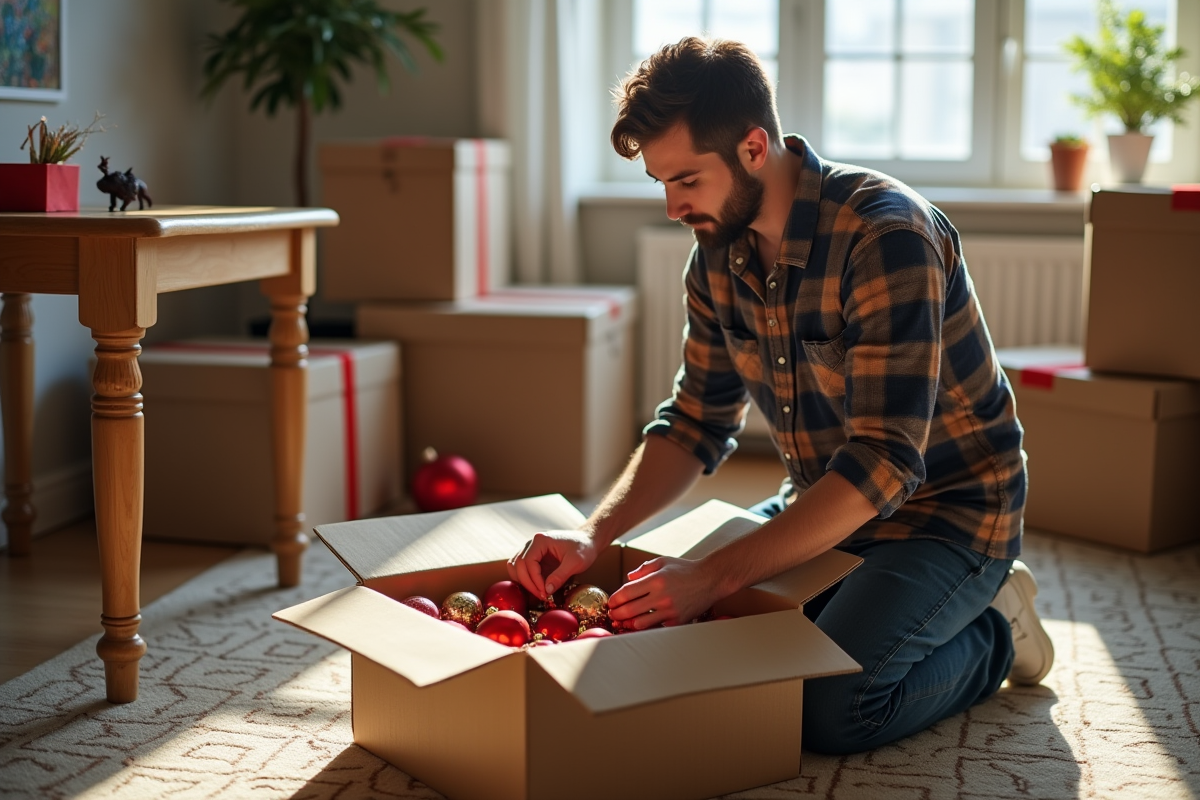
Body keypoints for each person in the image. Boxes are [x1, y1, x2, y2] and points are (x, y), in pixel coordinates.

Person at [507, 36, 1055, 754]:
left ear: (754, 147)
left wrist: (713, 576)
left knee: (829, 706)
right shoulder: (716, 253)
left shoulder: (885, 235)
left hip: (946, 517)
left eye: (687, 181)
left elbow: (884, 465)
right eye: (661, 183)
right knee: (675, 628)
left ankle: (992, 630)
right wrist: (593, 533)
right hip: (823, 502)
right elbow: (694, 422)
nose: (674, 207)